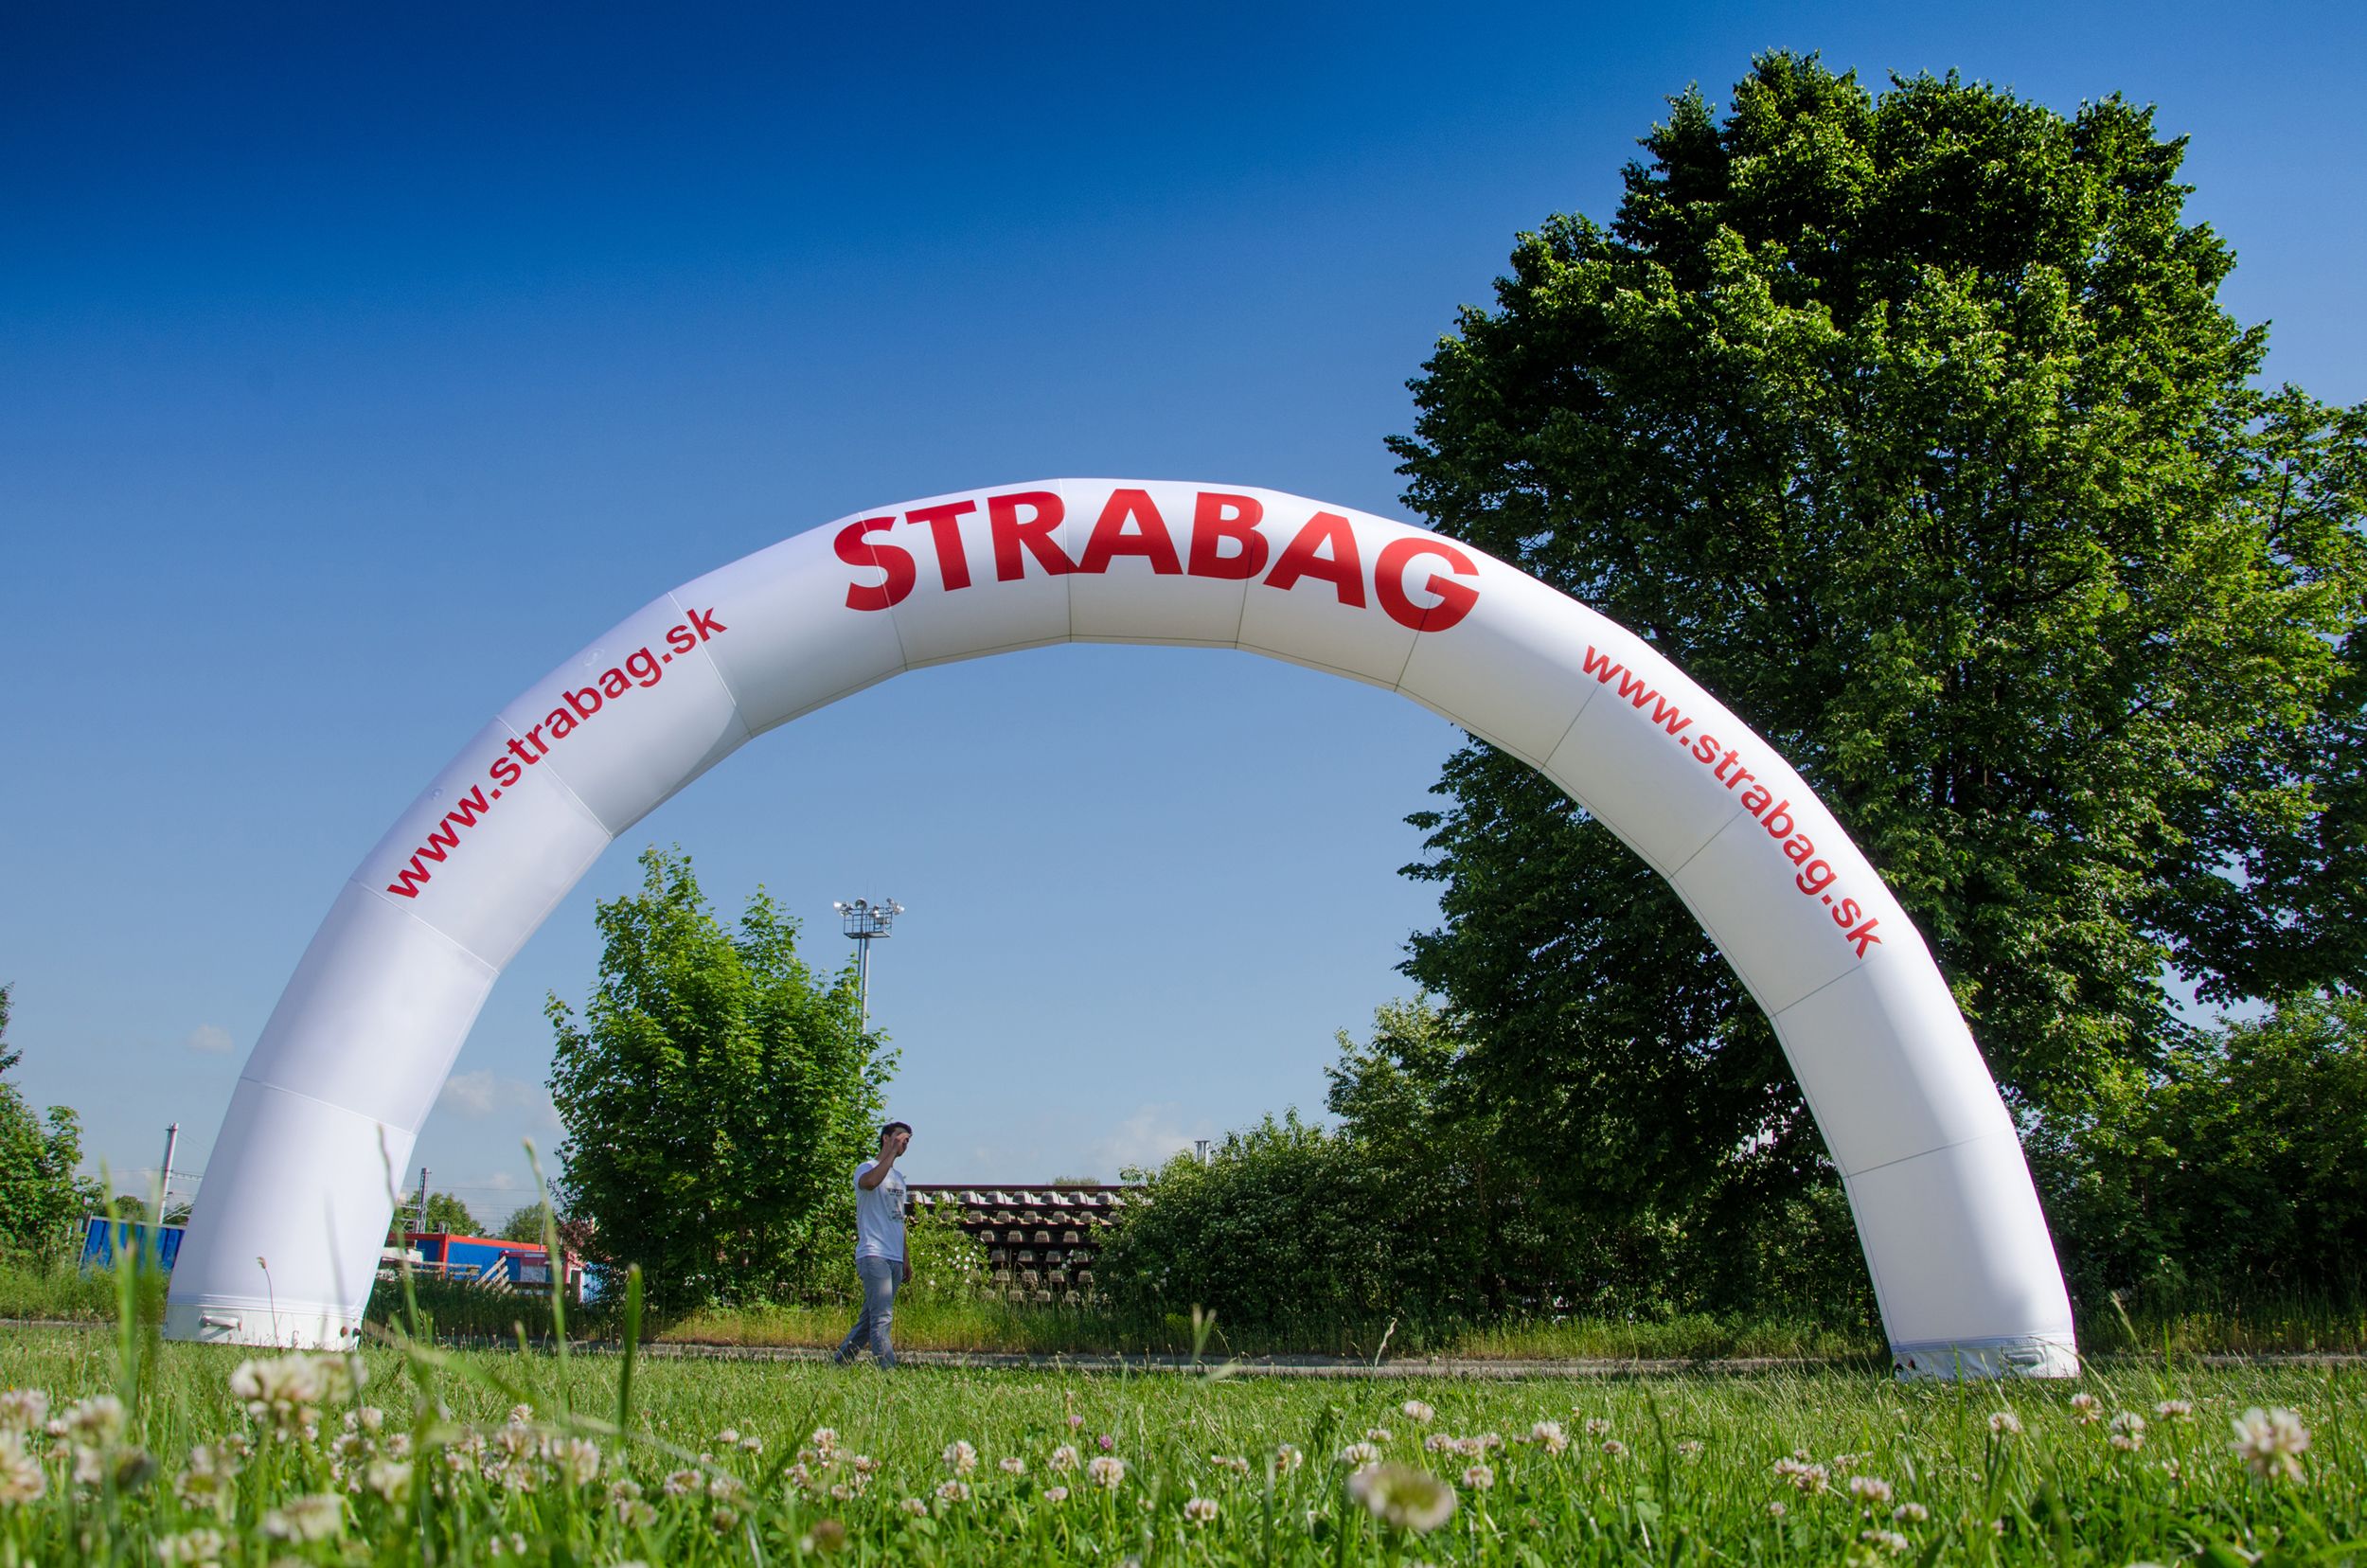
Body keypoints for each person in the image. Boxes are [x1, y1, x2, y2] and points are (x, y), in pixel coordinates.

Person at [832, 1120, 912, 1367]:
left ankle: (840, 1363)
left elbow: (898, 1218)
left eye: (907, 1140)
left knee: (869, 1320)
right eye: (899, 1137)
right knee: (882, 1317)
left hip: (894, 1257)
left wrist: (906, 1256)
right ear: (885, 1138)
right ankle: (887, 1370)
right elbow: (870, 1183)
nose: (904, 1143)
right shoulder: (866, 1168)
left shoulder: (898, 1178)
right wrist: (891, 1154)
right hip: (874, 1253)